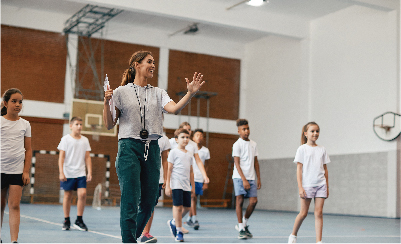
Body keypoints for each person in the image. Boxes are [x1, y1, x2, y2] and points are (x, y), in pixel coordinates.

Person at [103, 50, 207, 243]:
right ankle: (129, 241)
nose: (153, 65)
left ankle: (131, 237)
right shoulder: (120, 92)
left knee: (150, 200)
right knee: (130, 199)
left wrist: (190, 93)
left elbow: (174, 109)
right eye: (149, 62)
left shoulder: (159, 93)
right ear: (137, 65)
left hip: (152, 148)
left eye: (154, 62)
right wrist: (106, 101)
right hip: (129, 147)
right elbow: (109, 124)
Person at [288, 122, 330, 244]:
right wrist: (300, 187)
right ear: (306, 134)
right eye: (312, 131)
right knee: (303, 213)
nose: (315, 133)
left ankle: (319, 241)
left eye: (317, 131)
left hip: (321, 184)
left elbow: (325, 169)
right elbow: (299, 169)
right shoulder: (302, 149)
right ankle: (293, 235)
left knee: (319, 213)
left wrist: (327, 186)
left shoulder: (322, 149)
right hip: (307, 185)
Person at [1, 88, 31, 243]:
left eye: (20, 102)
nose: (18, 104)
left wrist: (26, 171)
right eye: (14, 101)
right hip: (1, 170)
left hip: (16, 171)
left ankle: (14, 240)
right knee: (0, 205)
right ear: (6, 103)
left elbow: (29, 149)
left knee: (14, 206)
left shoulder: (25, 124)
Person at [169, 122, 209, 232]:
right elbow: (166, 159)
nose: (189, 131)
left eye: (190, 129)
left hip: (188, 177)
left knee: (188, 203)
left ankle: (175, 222)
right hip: (176, 177)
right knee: (177, 204)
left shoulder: (193, 145)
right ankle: (178, 226)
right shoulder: (173, 142)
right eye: (186, 129)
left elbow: (198, 161)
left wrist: (205, 176)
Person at [58, 117, 92, 231]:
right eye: (77, 124)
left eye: (81, 124)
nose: (79, 126)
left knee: (82, 194)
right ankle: (66, 220)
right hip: (68, 173)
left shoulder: (85, 140)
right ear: (71, 126)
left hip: (81, 172)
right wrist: (61, 172)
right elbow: (61, 157)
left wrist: (89, 172)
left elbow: (87, 157)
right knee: (67, 196)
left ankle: (79, 220)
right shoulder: (65, 139)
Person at [139, 128, 171, 243]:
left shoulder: (164, 139)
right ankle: (135, 231)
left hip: (158, 178)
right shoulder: (141, 135)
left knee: (150, 206)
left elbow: (165, 160)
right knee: (141, 205)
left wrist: (166, 179)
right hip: (142, 177)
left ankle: (145, 234)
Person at [232, 119, 261, 239]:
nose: (246, 131)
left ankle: (243, 223)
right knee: (239, 201)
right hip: (239, 178)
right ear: (239, 131)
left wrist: (258, 178)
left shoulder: (253, 144)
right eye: (243, 129)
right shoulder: (237, 144)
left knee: (253, 201)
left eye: (247, 128)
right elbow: (237, 164)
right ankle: (241, 228)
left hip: (251, 178)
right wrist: (243, 179)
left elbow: (256, 162)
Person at [165, 129, 195, 242]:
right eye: (183, 137)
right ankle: (179, 231)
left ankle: (173, 221)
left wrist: (193, 186)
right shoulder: (173, 152)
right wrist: (168, 185)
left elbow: (191, 171)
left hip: (186, 184)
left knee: (187, 207)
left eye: (187, 137)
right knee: (177, 207)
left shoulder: (190, 154)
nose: (185, 139)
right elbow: (169, 169)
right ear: (176, 139)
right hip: (176, 183)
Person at [186, 128, 210, 230]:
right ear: (193, 137)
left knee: (194, 198)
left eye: (201, 135)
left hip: (200, 178)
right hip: (190, 177)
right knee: (193, 197)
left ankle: (189, 218)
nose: (199, 137)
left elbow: (207, 166)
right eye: (197, 135)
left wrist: (205, 180)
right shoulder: (189, 148)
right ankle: (195, 219)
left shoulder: (206, 150)